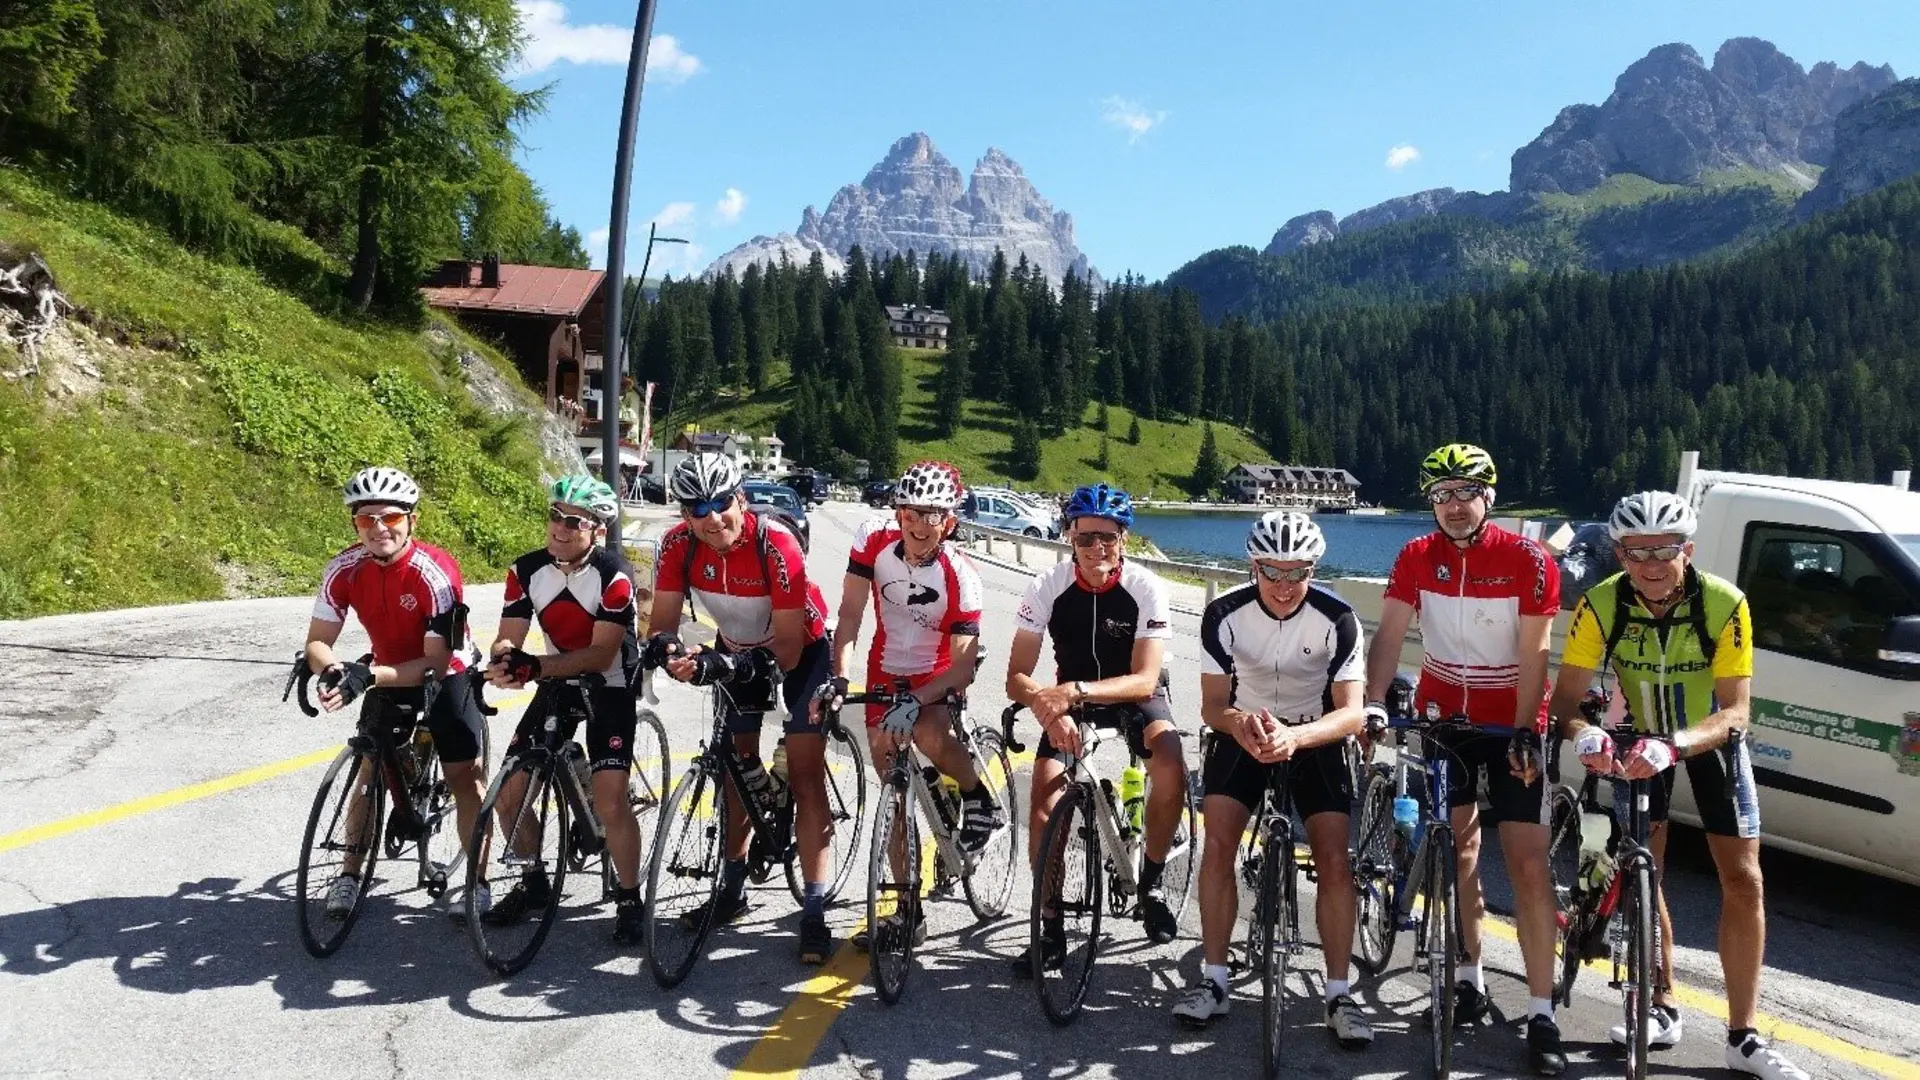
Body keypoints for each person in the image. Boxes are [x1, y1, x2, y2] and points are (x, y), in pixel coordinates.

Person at [1549, 491, 1808, 1080]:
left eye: (1665, 550)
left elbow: (1736, 711)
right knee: (1649, 869)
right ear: (1619, 553)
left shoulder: (1724, 603)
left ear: (1687, 549)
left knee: (1744, 879)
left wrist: (1677, 744)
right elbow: (1565, 704)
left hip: (1707, 741)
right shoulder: (1601, 605)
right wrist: (1586, 733)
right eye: (1636, 552)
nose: (1651, 564)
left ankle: (1743, 1037)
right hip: (1635, 738)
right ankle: (1663, 1005)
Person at [1362, 442, 1567, 1075]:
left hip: (1509, 722)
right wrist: (1370, 707)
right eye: (1441, 495)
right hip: (1443, 718)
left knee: (1528, 863)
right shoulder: (1415, 557)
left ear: (1489, 497)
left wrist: (1530, 728)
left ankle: (1541, 1012)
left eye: (1465, 493)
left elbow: (1535, 655)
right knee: (1459, 851)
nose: (1453, 506)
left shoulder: (1527, 561)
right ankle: (1470, 977)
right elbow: (1390, 636)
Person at [1175, 511, 1371, 1048]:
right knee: (1217, 846)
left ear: (1313, 568)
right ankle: (1214, 980)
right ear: (1252, 566)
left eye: (1297, 573)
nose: (1284, 586)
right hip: (1244, 731)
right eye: (1271, 572)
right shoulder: (1223, 612)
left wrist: (1296, 739)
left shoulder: (1339, 616)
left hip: (1314, 736)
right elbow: (1213, 705)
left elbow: (1352, 713)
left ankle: (1338, 993)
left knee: (1334, 859)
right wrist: (1243, 724)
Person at [648, 451, 840, 965]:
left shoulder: (774, 541)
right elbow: (662, 622)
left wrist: (733, 666)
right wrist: (671, 656)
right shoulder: (676, 546)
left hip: (802, 648)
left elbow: (790, 648)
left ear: (740, 500)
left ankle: (815, 911)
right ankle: (731, 891)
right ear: (683, 513)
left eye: (720, 504)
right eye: (696, 508)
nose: (711, 519)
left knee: (804, 772)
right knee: (733, 768)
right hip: (736, 647)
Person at [1005, 482, 1187, 976]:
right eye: (1085, 538)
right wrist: (1051, 708)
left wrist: (1073, 692)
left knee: (1170, 767)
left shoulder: (1146, 587)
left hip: (1132, 694)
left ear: (1123, 538)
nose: (1096, 549)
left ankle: (1149, 883)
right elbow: (1016, 676)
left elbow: (1147, 678)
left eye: (1107, 537)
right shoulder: (1048, 585)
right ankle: (1049, 925)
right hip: (1070, 702)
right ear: (1069, 537)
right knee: (1043, 804)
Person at [823, 461, 1002, 951]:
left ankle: (977, 796)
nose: (920, 525)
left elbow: (963, 669)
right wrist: (839, 676)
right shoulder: (871, 541)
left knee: (925, 730)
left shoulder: (962, 575)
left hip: (937, 671)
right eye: (911, 513)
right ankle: (908, 909)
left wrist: (920, 698)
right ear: (897, 512)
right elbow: (852, 613)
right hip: (886, 666)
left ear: (950, 519)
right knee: (891, 786)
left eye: (933, 514)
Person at [304, 466, 488, 921]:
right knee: (368, 767)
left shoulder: (435, 572)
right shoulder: (344, 569)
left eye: (390, 517)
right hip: (386, 668)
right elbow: (317, 640)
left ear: (412, 520)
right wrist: (332, 669)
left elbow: (434, 663)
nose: (379, 528)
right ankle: (349, 874)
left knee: (465, 776)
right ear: (355, 524)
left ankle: (478, 882)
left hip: (446, 672)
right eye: (366, 520)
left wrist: (367, 676)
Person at [481, 475, 648, 945]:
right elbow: (509, 631)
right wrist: (505, 657)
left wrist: (535, 666)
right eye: (555, 514)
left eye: (573, 521)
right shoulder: (527, 569)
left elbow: (600, 655)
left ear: (597, 529)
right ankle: (533, 881)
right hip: (555, 677)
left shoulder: (615, 576)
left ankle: (630, 897)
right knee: (511, 792)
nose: (559, 526)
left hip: (609, 683)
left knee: (611, 800)